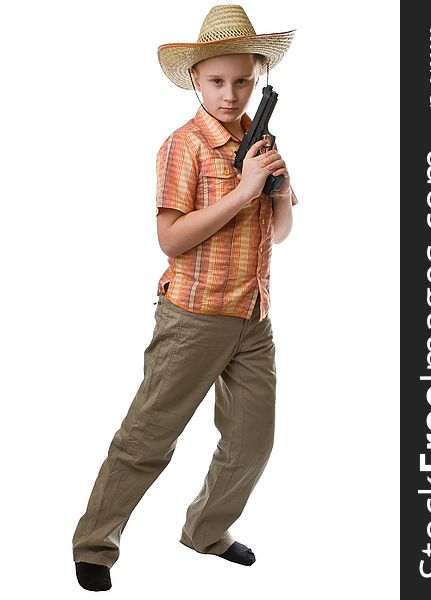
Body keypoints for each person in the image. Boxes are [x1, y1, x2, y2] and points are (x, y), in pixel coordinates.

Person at [72, 4, 297, 591]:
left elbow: (279, 233)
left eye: (243, 80)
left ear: (259, 78)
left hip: (252, 315)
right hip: (193, 315)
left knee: (253, 438)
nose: (231, 94)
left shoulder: (262, 141)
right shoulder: (184, 147)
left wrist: (277, 191)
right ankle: (95, 544)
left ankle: (206, 530)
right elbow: (169, 237)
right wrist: (243, 188)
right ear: (195, 79)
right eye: (218, 81)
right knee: (149, 436)